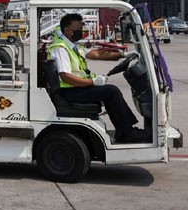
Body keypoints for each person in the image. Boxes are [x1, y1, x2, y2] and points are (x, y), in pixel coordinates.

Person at [48, 13, 146, 143]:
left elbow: (97, 54)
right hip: (70, 91)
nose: (80, 32)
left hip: (77, 88)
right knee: (111, 91)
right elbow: (66, 77)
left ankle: (123, 132)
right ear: (66, 30)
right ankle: (128, 132)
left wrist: (122, 55)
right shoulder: (61, 48)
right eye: (77, 29)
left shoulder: (74, 46)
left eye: (81, 28)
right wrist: (92, 82)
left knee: (108, 92)